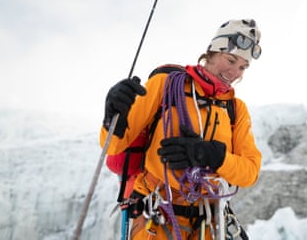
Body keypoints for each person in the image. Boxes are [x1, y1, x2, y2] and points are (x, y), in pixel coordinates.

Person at [100, 19, 262, 239]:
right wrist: (112, 116)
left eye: (243, 67)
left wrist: (213, 156)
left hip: (206, 218)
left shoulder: (235, 109)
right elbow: (114, 144)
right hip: (155, 212)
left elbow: (250, 172)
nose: (235, 72)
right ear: (212, 53)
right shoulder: (166, 83)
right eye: (231, 60)